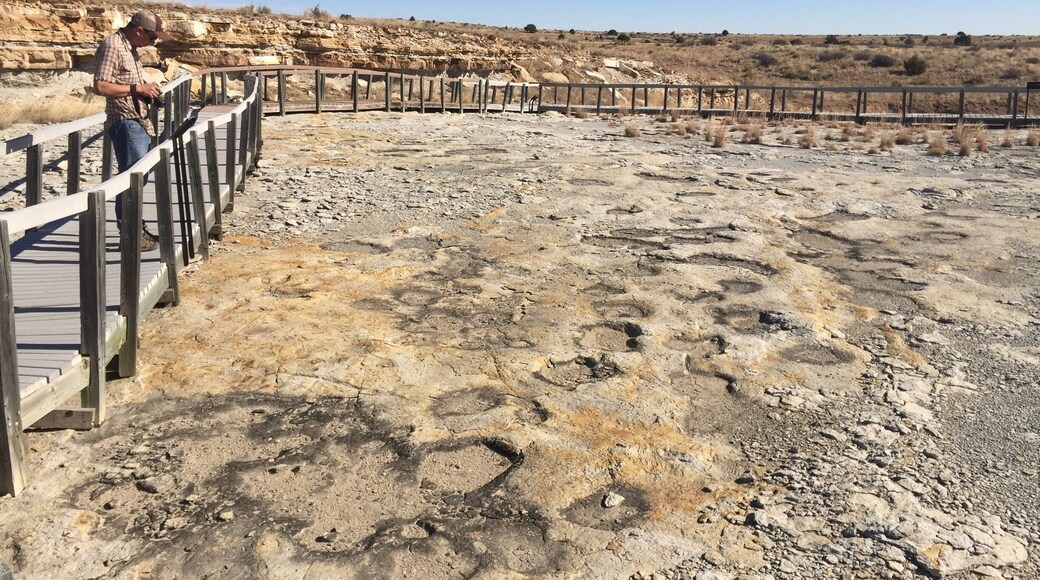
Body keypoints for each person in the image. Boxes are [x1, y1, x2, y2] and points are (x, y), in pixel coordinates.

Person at [93, 10, 173, 252]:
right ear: (139, 31)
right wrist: (138, 87)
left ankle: (134, 229)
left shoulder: (131, 49)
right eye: (152, 38)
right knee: (131, 179)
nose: (154, 43)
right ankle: (130, 235)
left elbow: (129, 84)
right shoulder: (112, 46)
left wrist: (147, 90)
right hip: (125, 122)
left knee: (138, 176)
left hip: (138, 121)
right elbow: (100, 85)